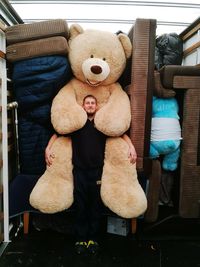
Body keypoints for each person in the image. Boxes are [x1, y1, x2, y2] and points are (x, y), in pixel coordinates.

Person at [45, 95, 137, 255]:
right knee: (80, 205)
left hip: (97, 172)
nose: (90, 105)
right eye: (87, 103)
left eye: (92, 103)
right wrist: (48, 148)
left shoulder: (102, 125)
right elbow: (57, 133)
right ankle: (80, 238)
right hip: (79, 171)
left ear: (97, 106)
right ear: (83, 106)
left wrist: (131, 147)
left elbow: (121, 133)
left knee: (94, 206)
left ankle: (93, 238)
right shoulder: (77, 125)